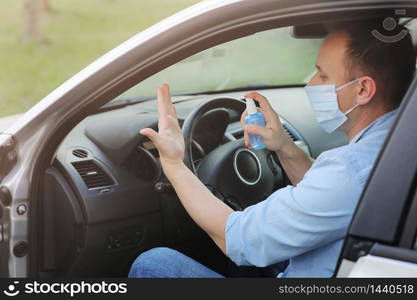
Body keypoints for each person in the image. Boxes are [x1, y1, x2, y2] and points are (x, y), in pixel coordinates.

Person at [128, 20, 416, 277]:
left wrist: (175, 164)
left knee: (154, 263)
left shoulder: (350, 170)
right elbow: (340, 201)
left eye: (323, 76)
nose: (310, 84)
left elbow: (237, 239)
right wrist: (282, 145)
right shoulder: (398, 142)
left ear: (363, 89)